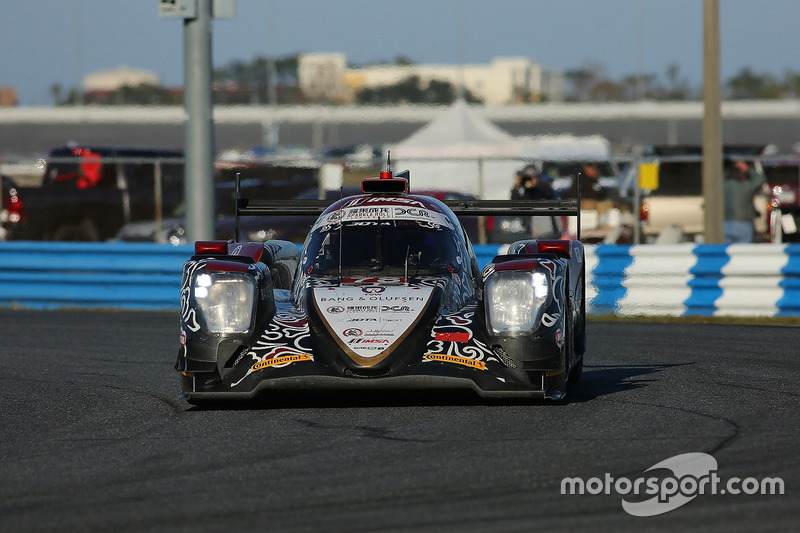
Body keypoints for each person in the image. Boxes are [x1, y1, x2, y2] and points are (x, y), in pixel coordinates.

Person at [724, 160, 767, 244]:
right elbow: (761, 180)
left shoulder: (723, 186)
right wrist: (747, 168)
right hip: (744, 224)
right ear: (743, 176)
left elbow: (717, 176)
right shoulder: (747, 186)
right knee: (743, 251)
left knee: (726, 250)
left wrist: (729, 168)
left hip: (725, 223)